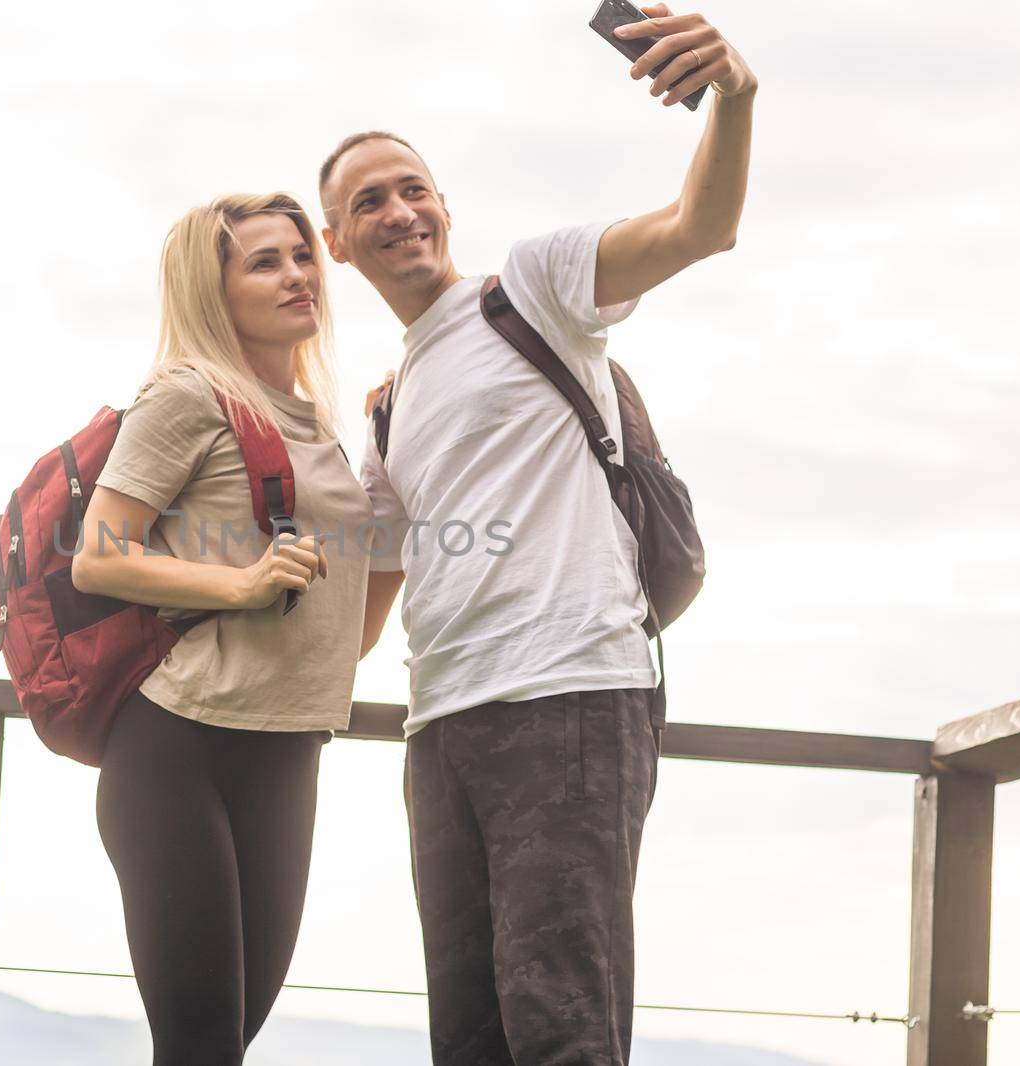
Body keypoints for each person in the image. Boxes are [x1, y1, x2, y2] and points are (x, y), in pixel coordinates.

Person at [323, 6, 757, 1064]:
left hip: (568, 698)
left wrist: (734, 99)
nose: (397, 209)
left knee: (562, 1027)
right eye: (366, 201)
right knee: (469, 1037)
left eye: (411, 186)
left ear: (443, 205)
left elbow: (700, 226)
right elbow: (358, 619)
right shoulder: (384, 409)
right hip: (443, 730)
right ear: (336, 244)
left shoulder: (538, 285)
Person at [69, 192, 374, 1065]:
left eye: (302, 255)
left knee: (225, 1044)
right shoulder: (187, 397)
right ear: (214, 291)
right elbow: (98, 555)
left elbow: (349, 613)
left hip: (289, 748)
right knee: (201, 1046)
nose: (298, 276)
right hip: (178, 749)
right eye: (265, 262)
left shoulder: (320, 425)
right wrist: (238, 586)